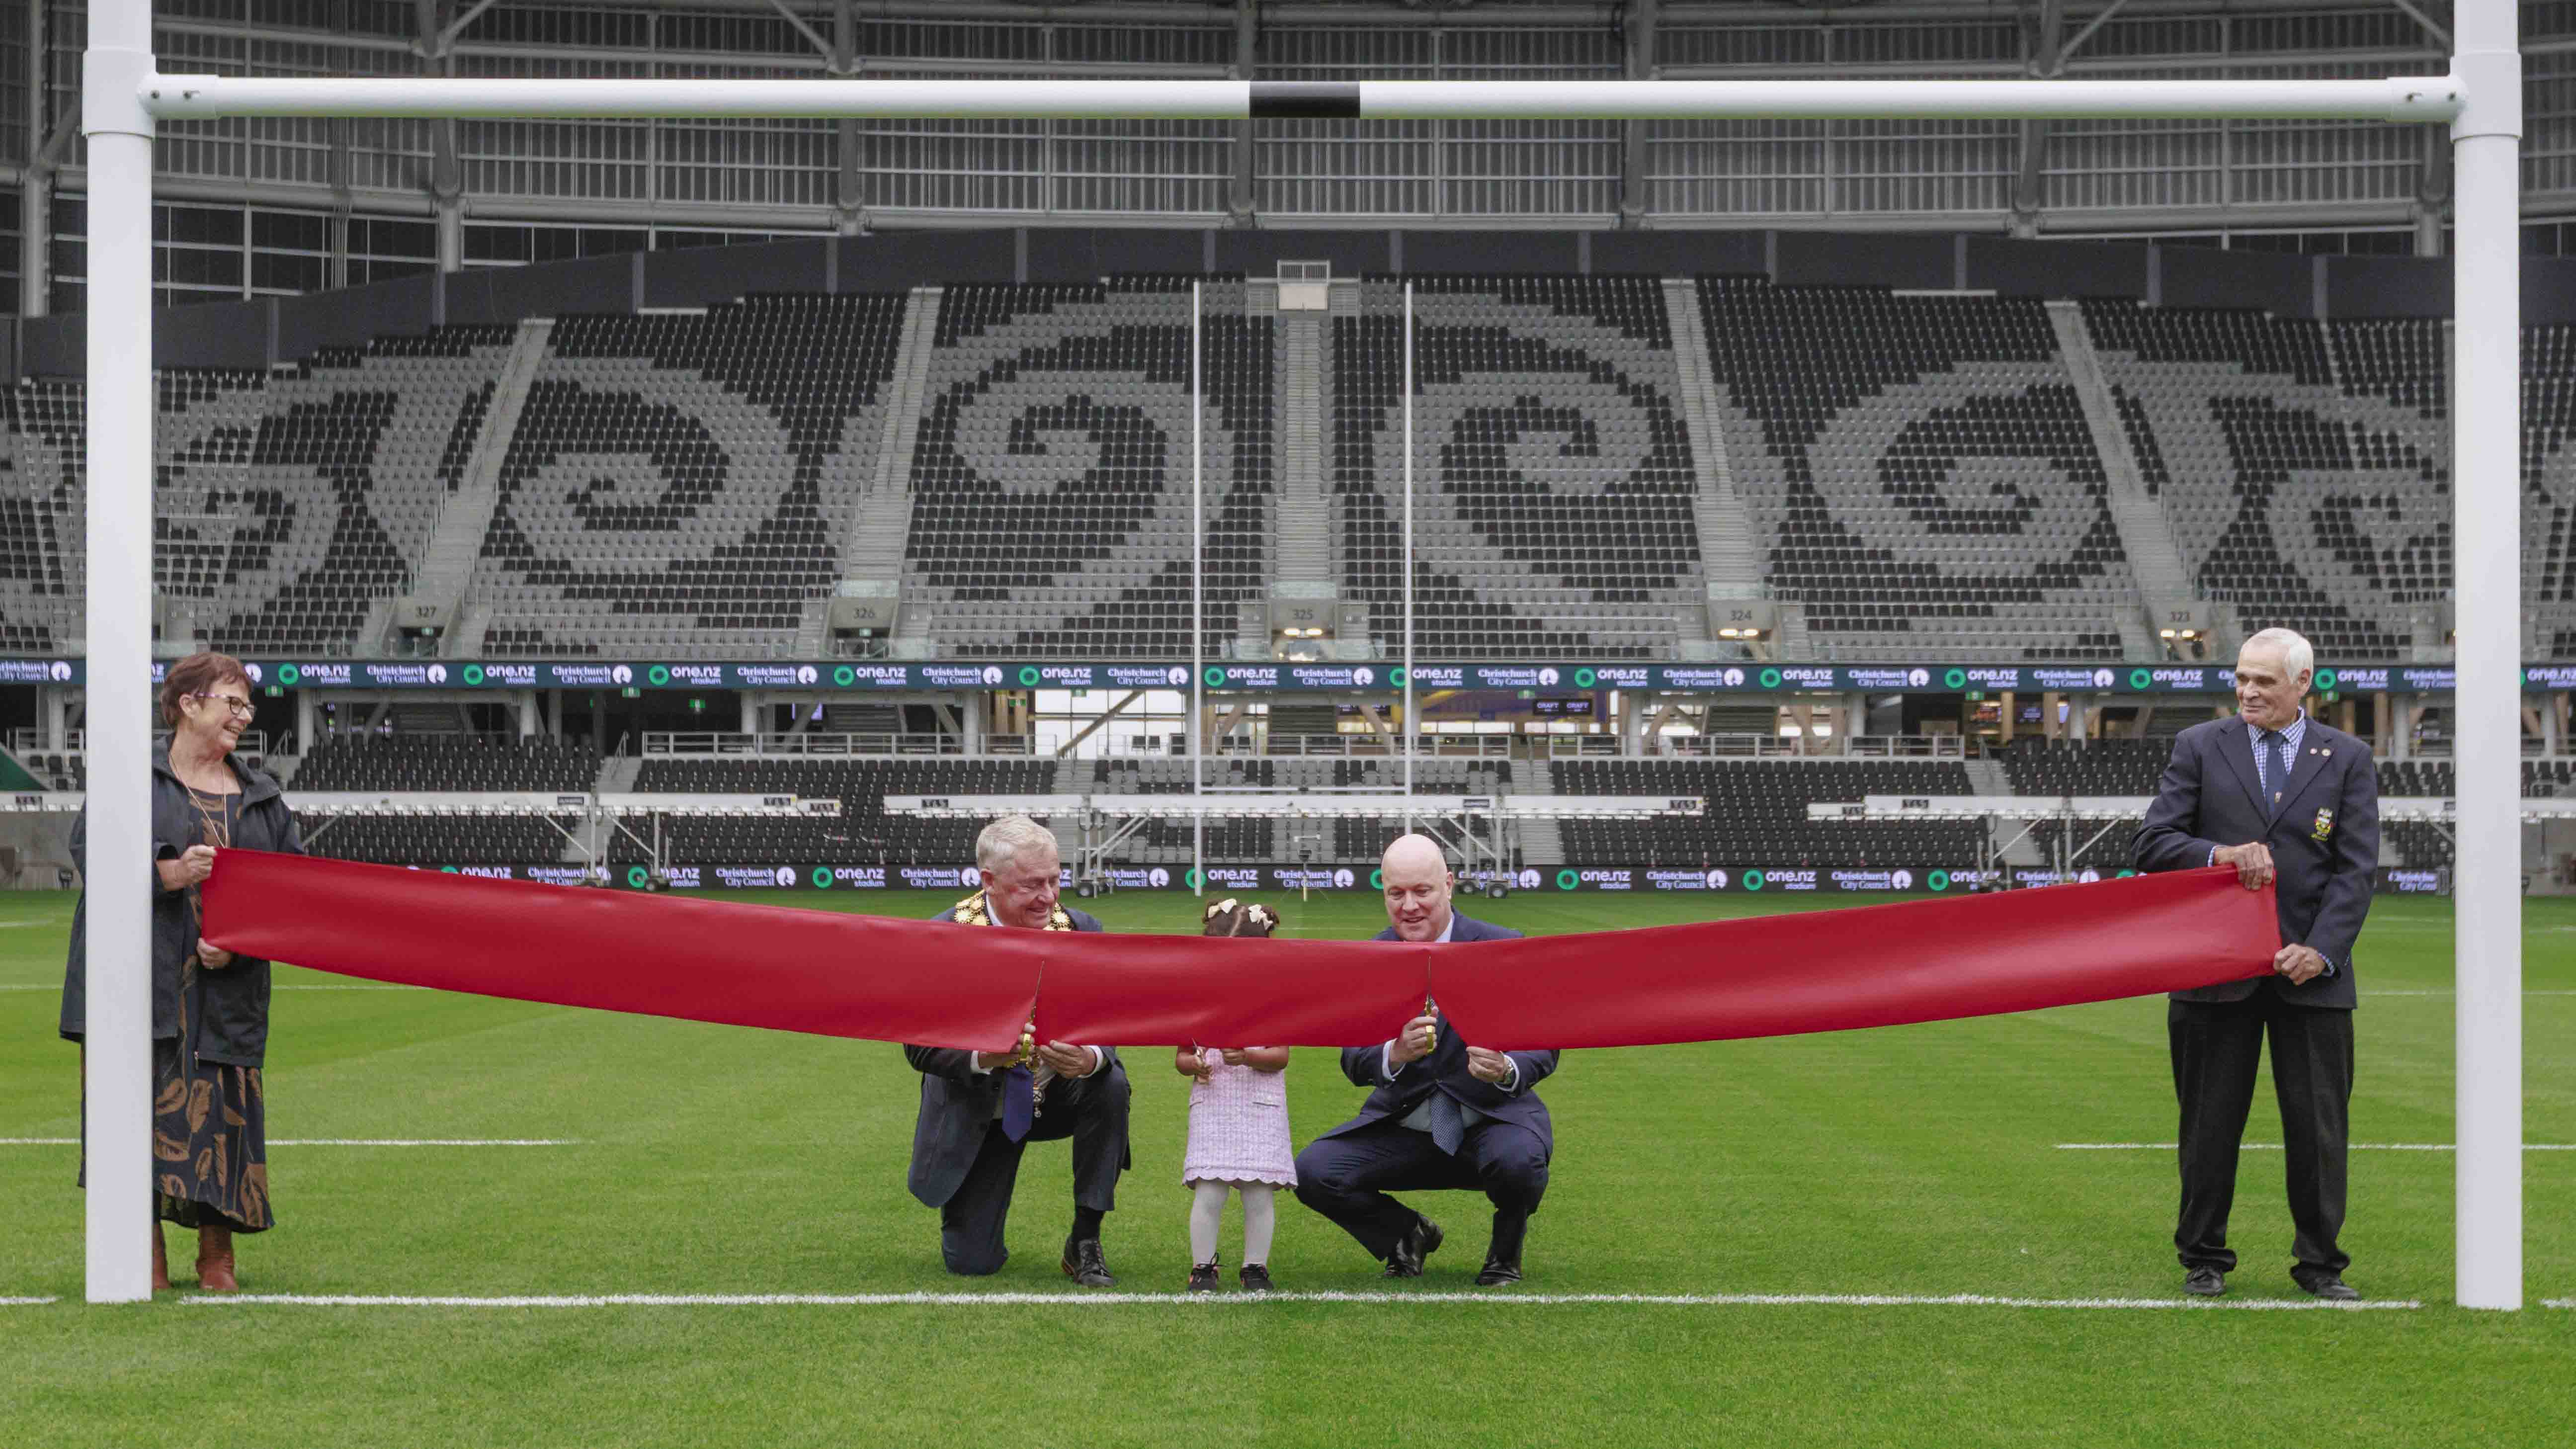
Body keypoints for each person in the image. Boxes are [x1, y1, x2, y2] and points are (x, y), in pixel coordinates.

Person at [2134, 626, 2379, 1301]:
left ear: (2302, 683)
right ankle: (2202, 1257)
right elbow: (2151, 842)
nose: (2246, 691)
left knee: (2319, 1130)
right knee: (2206, 1125)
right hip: (2213, 974)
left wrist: (2321, 950)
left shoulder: (2348, 757)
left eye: (2263, 681)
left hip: (2311, 975)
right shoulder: (2197, 745)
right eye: (2240, 677)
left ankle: (2320, 1264)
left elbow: (2354, 869)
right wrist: (2216, 853)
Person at [59, 651, 305, 1293]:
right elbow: (91, 851)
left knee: (222, 1114)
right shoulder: (129, 779)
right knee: (133, 1112)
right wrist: (166, 872)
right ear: (189, 704)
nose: (244, 716)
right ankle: (144, 1255)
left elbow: (290, 893)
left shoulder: (263, 795)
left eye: (248, 705)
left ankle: (216, 1255)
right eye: (233, 701)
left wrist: (239, 946)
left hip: (226, 990)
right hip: (136, 981)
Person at [1293, 834, 1557, 1286]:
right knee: (1312, 1171)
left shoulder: (1502, 947)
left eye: (1422, 891)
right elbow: (1353, 1059)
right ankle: (1406, 1234)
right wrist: (1394, 1053)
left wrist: (1506, 1068)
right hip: (1404, 1128)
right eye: (1396, 893)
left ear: (1448, 885)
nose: (1409, 906)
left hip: (1490, 1122)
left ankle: (1505, 1254)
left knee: (1519, 1161)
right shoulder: (1370, 958)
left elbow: (1544, 1041)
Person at [901, 816, 1130, 1284]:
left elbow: (1107, 1020)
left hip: (1058, 1096)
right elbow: (919, 1049)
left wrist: (1090, 1058)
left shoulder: (1082, 929)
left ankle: (1085, 1238)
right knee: (971, 1263)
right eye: (1031, 884)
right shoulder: (943, 936)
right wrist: (985, 1056)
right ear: (989, 880)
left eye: (1054, 879)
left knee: (1110, 1083)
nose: (1049, 896)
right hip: (982, 1106)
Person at [1177, 898, 1294, 1293]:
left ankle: (1255, 1267)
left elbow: (1280, 1056)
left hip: (1261, 1105)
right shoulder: (1196, 999)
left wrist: (1247, 1056)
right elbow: (1181, 1056)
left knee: (1258, 1193)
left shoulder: (1274, 1000)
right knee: (1209, 1190)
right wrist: (1195, 1063)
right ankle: (1203, 1267)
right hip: (1213, 1102)